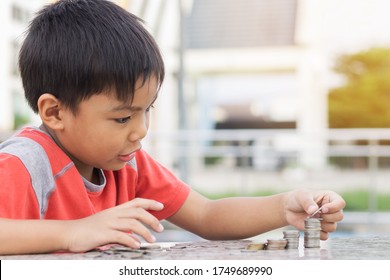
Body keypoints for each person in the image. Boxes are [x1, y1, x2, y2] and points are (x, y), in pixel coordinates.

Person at [0, 0, 345, 255]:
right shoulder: (25, 164)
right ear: (55, 112)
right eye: (122, 118)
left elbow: (207, 215)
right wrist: (74, 232)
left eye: (146, 111)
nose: (140, 131)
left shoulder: (127, 162)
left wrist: (284, 206)